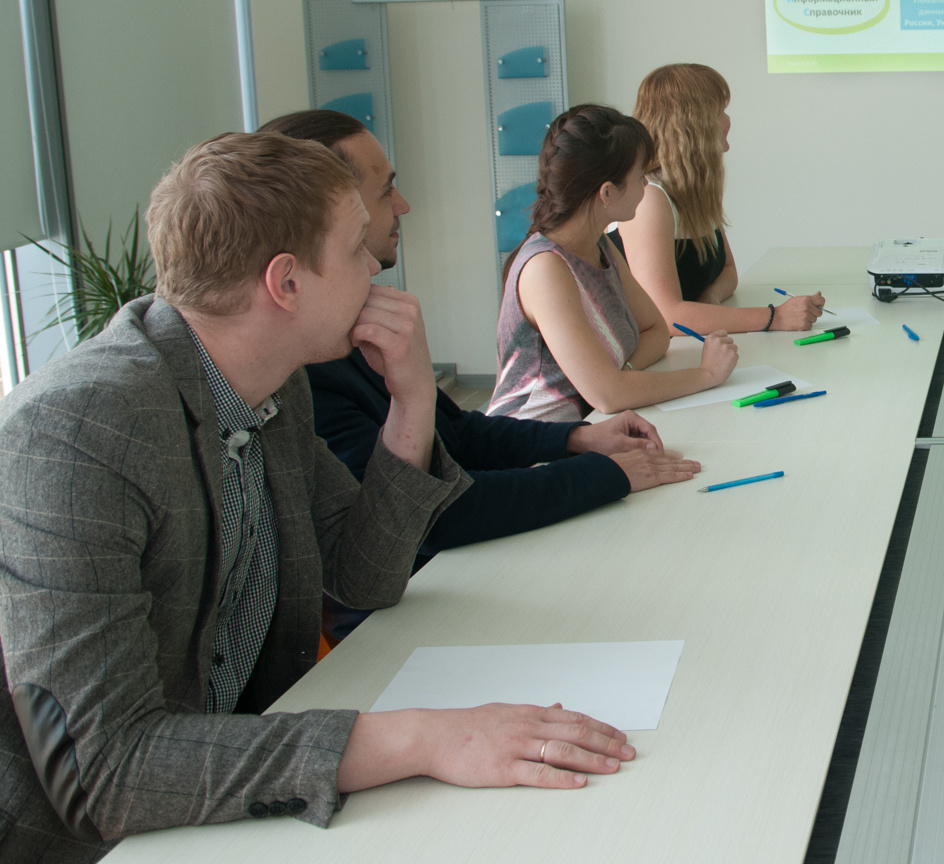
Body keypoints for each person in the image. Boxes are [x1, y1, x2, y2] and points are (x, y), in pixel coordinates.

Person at [0, 134, 636, 861]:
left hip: (234, 803)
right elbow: (102, 773)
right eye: (354, 250)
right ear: (287, 284)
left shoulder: (274, 387)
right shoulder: (74, 433)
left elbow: (364, 575)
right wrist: (419, 736)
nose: (375, 267)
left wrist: (412, 404)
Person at [262, 111, 702, 566]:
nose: (404, 205)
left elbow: (457, 435)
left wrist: (576, 441)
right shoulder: (303, 371)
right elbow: (438, 513)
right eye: (384, 191)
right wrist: (603, 471)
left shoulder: (344, 335)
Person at [491, 104, 738, 424]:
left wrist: (624, 376)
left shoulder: (599, 244)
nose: (647, 185)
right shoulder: (545, 269)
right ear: (607, 193)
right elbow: (608, 395)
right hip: (534, 451)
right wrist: (706, 374)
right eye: (639, 176)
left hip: (592, 430)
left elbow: (656, 331)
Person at [620, 63, 824, 336]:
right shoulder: (649, 199)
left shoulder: (692, 191)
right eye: (721, 112)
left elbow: (727, 272)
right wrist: (775, 317)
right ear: (693, 124)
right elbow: (666, 316)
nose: (728, 121)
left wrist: (710, 304)